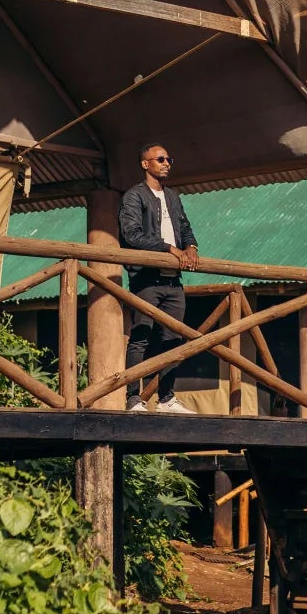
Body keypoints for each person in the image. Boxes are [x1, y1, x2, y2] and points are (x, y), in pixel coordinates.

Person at [118, 141, 201, 411]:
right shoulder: (134, 196)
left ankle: (166, 397)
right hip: (146, 279)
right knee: (141, 336)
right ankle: (133, 398)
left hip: (173, 281)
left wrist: (191, 247)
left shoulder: (173, 197)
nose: (167, 163)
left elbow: (186, 227)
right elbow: (131, 235)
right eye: (161, 159)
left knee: (173, 339)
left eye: (169, 159)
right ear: (146, 164)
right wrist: (169, 248)